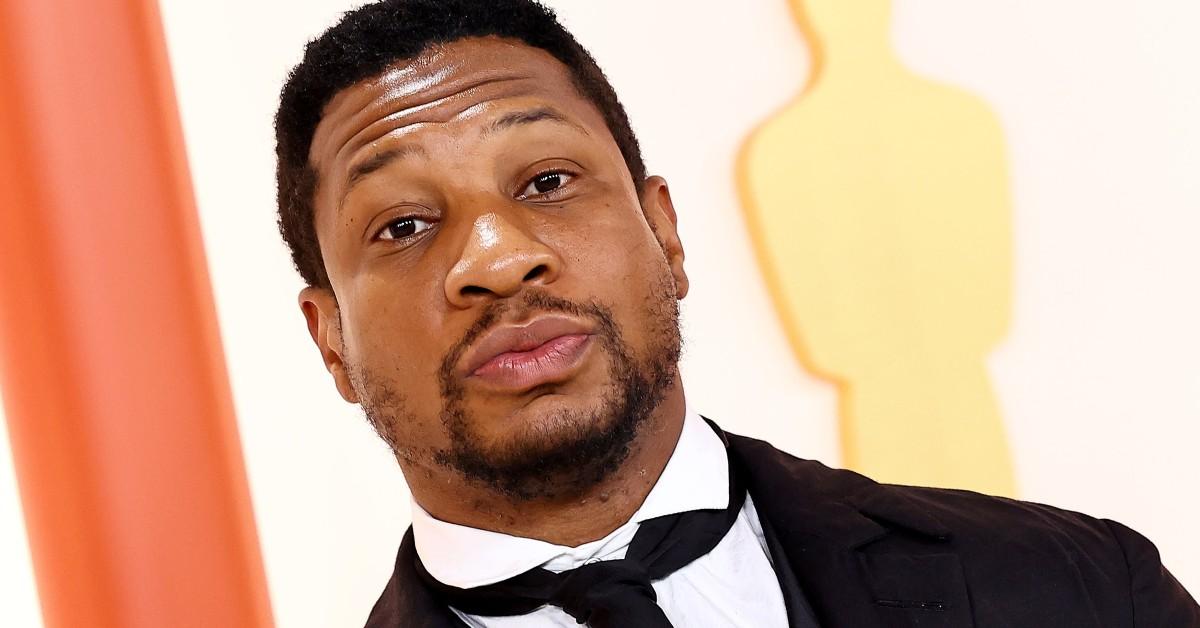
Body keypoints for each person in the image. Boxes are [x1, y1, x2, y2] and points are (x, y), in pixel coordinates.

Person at [273, 1, 1200, 626]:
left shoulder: (1079, 590)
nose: (499, 259)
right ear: (333, 346)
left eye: (548, 181)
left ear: (666, 236)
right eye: (403, 225)